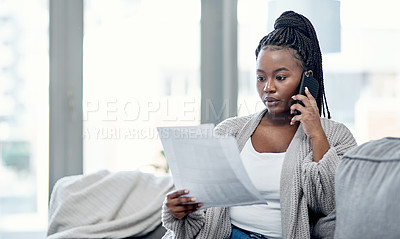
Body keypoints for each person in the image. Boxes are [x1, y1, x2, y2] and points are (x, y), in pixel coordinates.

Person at [161, 11, 357, 239]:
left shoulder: (336, 136)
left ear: (307, 79)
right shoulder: (229, 132)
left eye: (280, 77)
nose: (268, 88)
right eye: (261, 78)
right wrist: (180, 212)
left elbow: (333, 205)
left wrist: (315, 134)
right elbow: (204, 216)